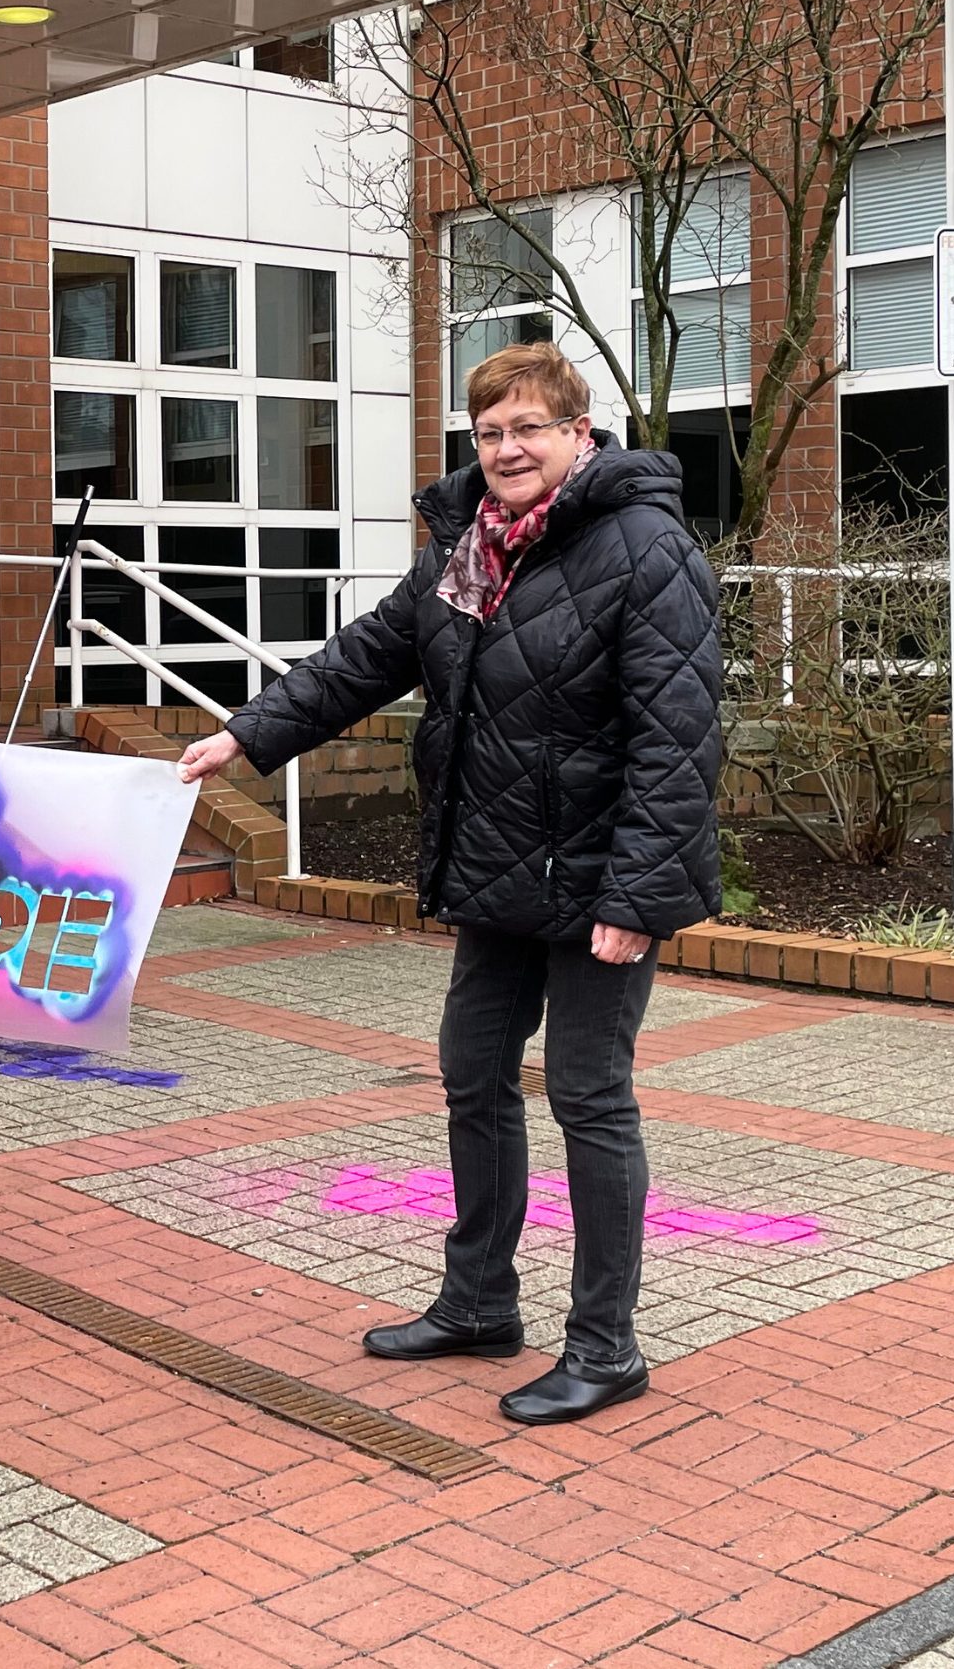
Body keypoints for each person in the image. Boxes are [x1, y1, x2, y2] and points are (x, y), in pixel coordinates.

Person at [178, 343, 720, 1424]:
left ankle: (604, 1345)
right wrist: (242, 735)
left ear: (577, 433)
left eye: (528, 428)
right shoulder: (466, 548)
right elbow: (368, 655)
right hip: (498, 869)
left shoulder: (645, 546)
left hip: (600, 876)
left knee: (587, 1096)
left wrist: (635, 896)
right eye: (488, 432)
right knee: (471, 1076)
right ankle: (476, 1301)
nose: (506, 449)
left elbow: (680, 735)